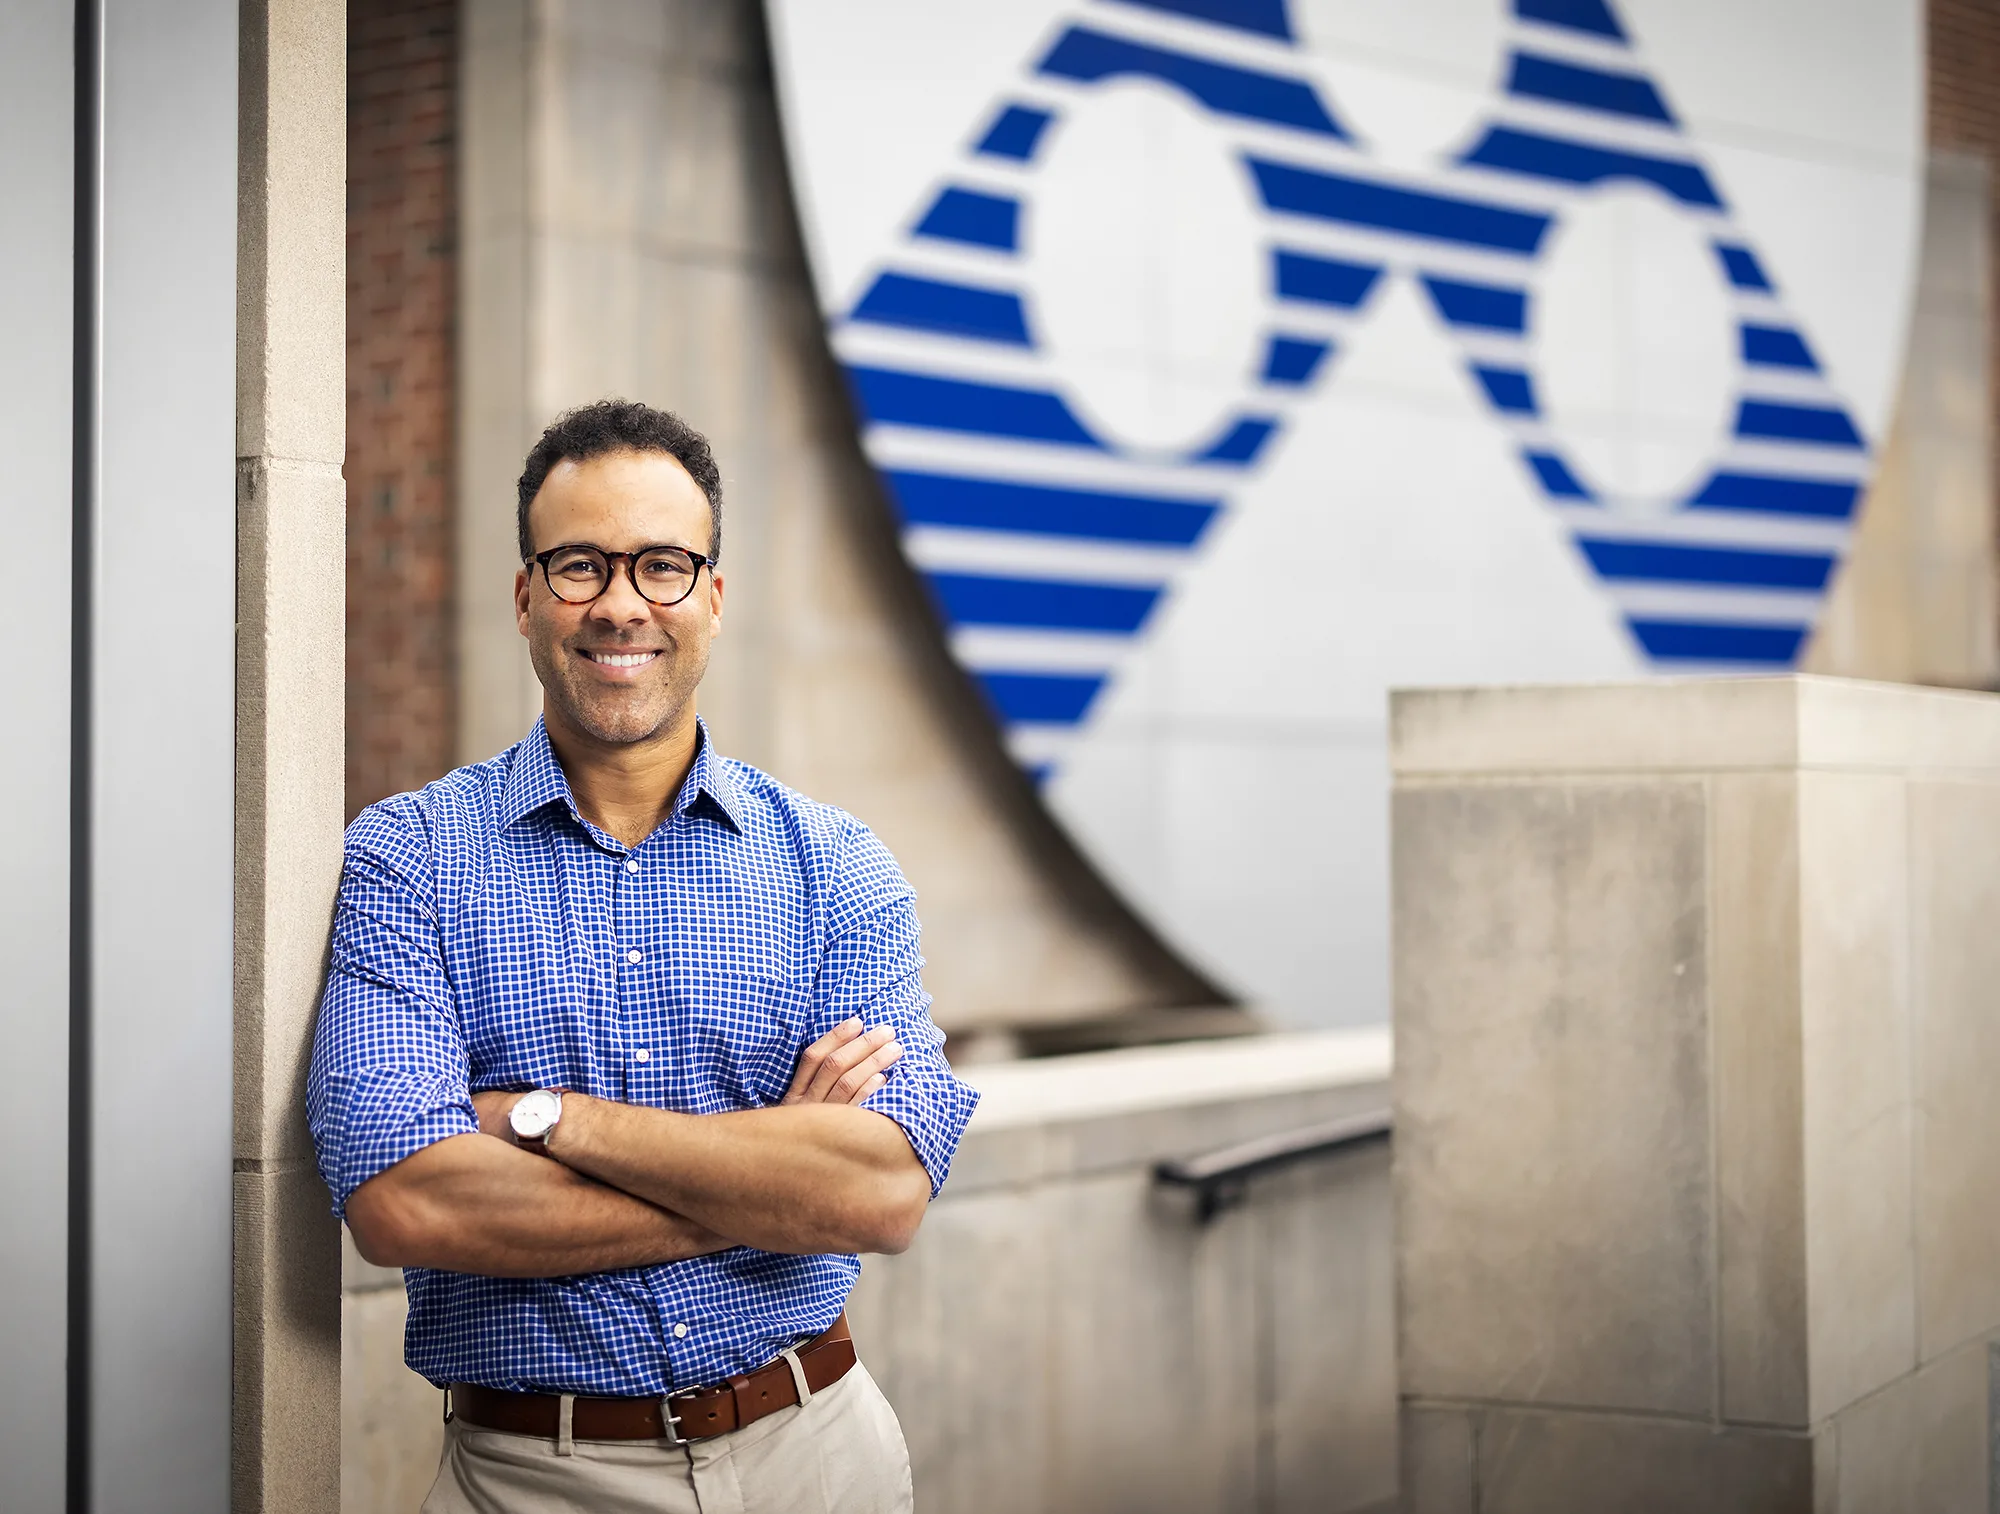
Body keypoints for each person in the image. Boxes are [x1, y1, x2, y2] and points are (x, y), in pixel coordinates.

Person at [308, 399, 978, 1514]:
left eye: (663, 564)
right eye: (579, 564)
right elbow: (405, 1201)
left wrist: (539, 1119)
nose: (621, 603)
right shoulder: (408, 854)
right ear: (524, 595)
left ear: (714, 595)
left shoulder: (833, 862)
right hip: (534, 1478)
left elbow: (885, 1187)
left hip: (818, 1456)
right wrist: (775, 1183)